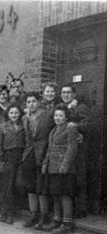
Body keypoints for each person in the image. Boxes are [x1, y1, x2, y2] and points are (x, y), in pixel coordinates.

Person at [42, 104, 79, 233]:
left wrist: (64, 165)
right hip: (53, 167)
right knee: (55, 194)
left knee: (64, 195)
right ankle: (57, 221)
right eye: (56, 115)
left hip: (64, 169)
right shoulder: (54, 130)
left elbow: (72, 148)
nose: (57, 118)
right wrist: (45, 164)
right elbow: (50, 148)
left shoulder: (70, 128)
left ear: (66, 117)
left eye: (60, 116)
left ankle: (67, 224)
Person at [21, 91, 53, 228]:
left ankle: (43, 216)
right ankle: (33, 214)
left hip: (42, 152)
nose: (31, 104)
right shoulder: (25, 118)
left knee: (41, 186)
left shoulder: (47, 115)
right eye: (28, 102)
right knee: (30, 186)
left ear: (39, 102)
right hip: (29, 153)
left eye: (33, 101)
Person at [61, 84, 92, 218]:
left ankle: (81, 209)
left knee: (79, 178)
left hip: (79, 148)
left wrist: (76, 126)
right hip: (67, 148)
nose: (65, 95)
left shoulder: (81, 108)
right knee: (69, 178)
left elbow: (88, 124)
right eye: (63, 93)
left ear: (74, 94)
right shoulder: (63, 107)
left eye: (68, 93)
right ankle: (69, 208)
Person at [0, 104, 26, 224]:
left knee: (17, 185)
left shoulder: (23, 126)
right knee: (6, 187)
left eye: (16, 113)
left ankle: (13, 210)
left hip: (20, 157)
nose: (14, 115)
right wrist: (0, 161)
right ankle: (6, 213)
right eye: (11, 113)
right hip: (7, 157)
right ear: (8, 114)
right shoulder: (2, 127)